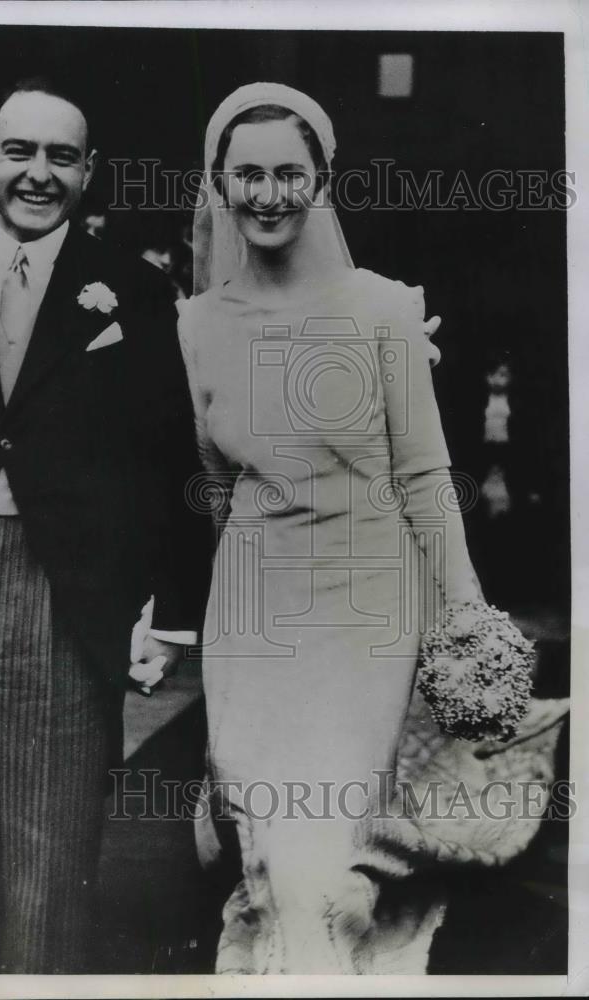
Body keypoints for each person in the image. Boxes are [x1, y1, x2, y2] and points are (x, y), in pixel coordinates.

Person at [178, 83, 567, 974]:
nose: (269, 194)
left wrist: (464, 616)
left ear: (321, 180)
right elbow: (215, 484)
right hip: (252, 624)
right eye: (248, 175)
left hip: (365, 619)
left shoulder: (383, 311)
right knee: (268, 856)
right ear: (220, 184)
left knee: (334, 865)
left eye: (289, 173)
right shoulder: (197, 325)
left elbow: (427, 476)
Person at [0, 77, 211, 973]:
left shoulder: (133, 297)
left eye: (61, 156)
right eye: (19, 151)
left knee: (52, 849)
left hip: (70, 585)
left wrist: (172, 616)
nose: (38, 173)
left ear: (89, 171)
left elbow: (170, 458)